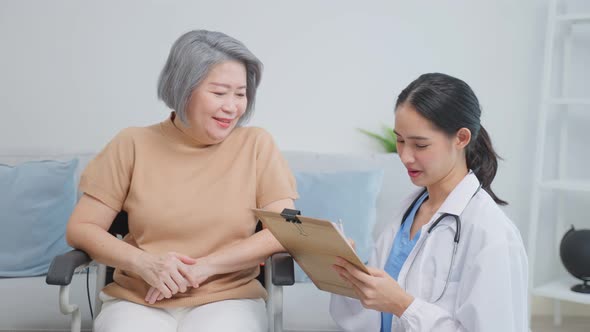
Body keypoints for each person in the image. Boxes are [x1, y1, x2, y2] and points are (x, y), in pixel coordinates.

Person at [66, 30, 298, 332]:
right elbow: (81, 228)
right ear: (182, 88)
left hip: (227, 299)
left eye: (240, 94)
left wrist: (204, 267)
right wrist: (145, 264)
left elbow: (287, 229)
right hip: (139, 299)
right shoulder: (132, 143)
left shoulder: (256, 145)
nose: (232, 106)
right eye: (219, 93)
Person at [329, 73, 528, 331]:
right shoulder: (409, 210)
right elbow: (374, 315)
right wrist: (352, 274)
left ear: (461, 138)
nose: (405, 157)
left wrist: (403, 305)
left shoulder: (492, 234)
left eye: (420, 145)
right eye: (400, 140)